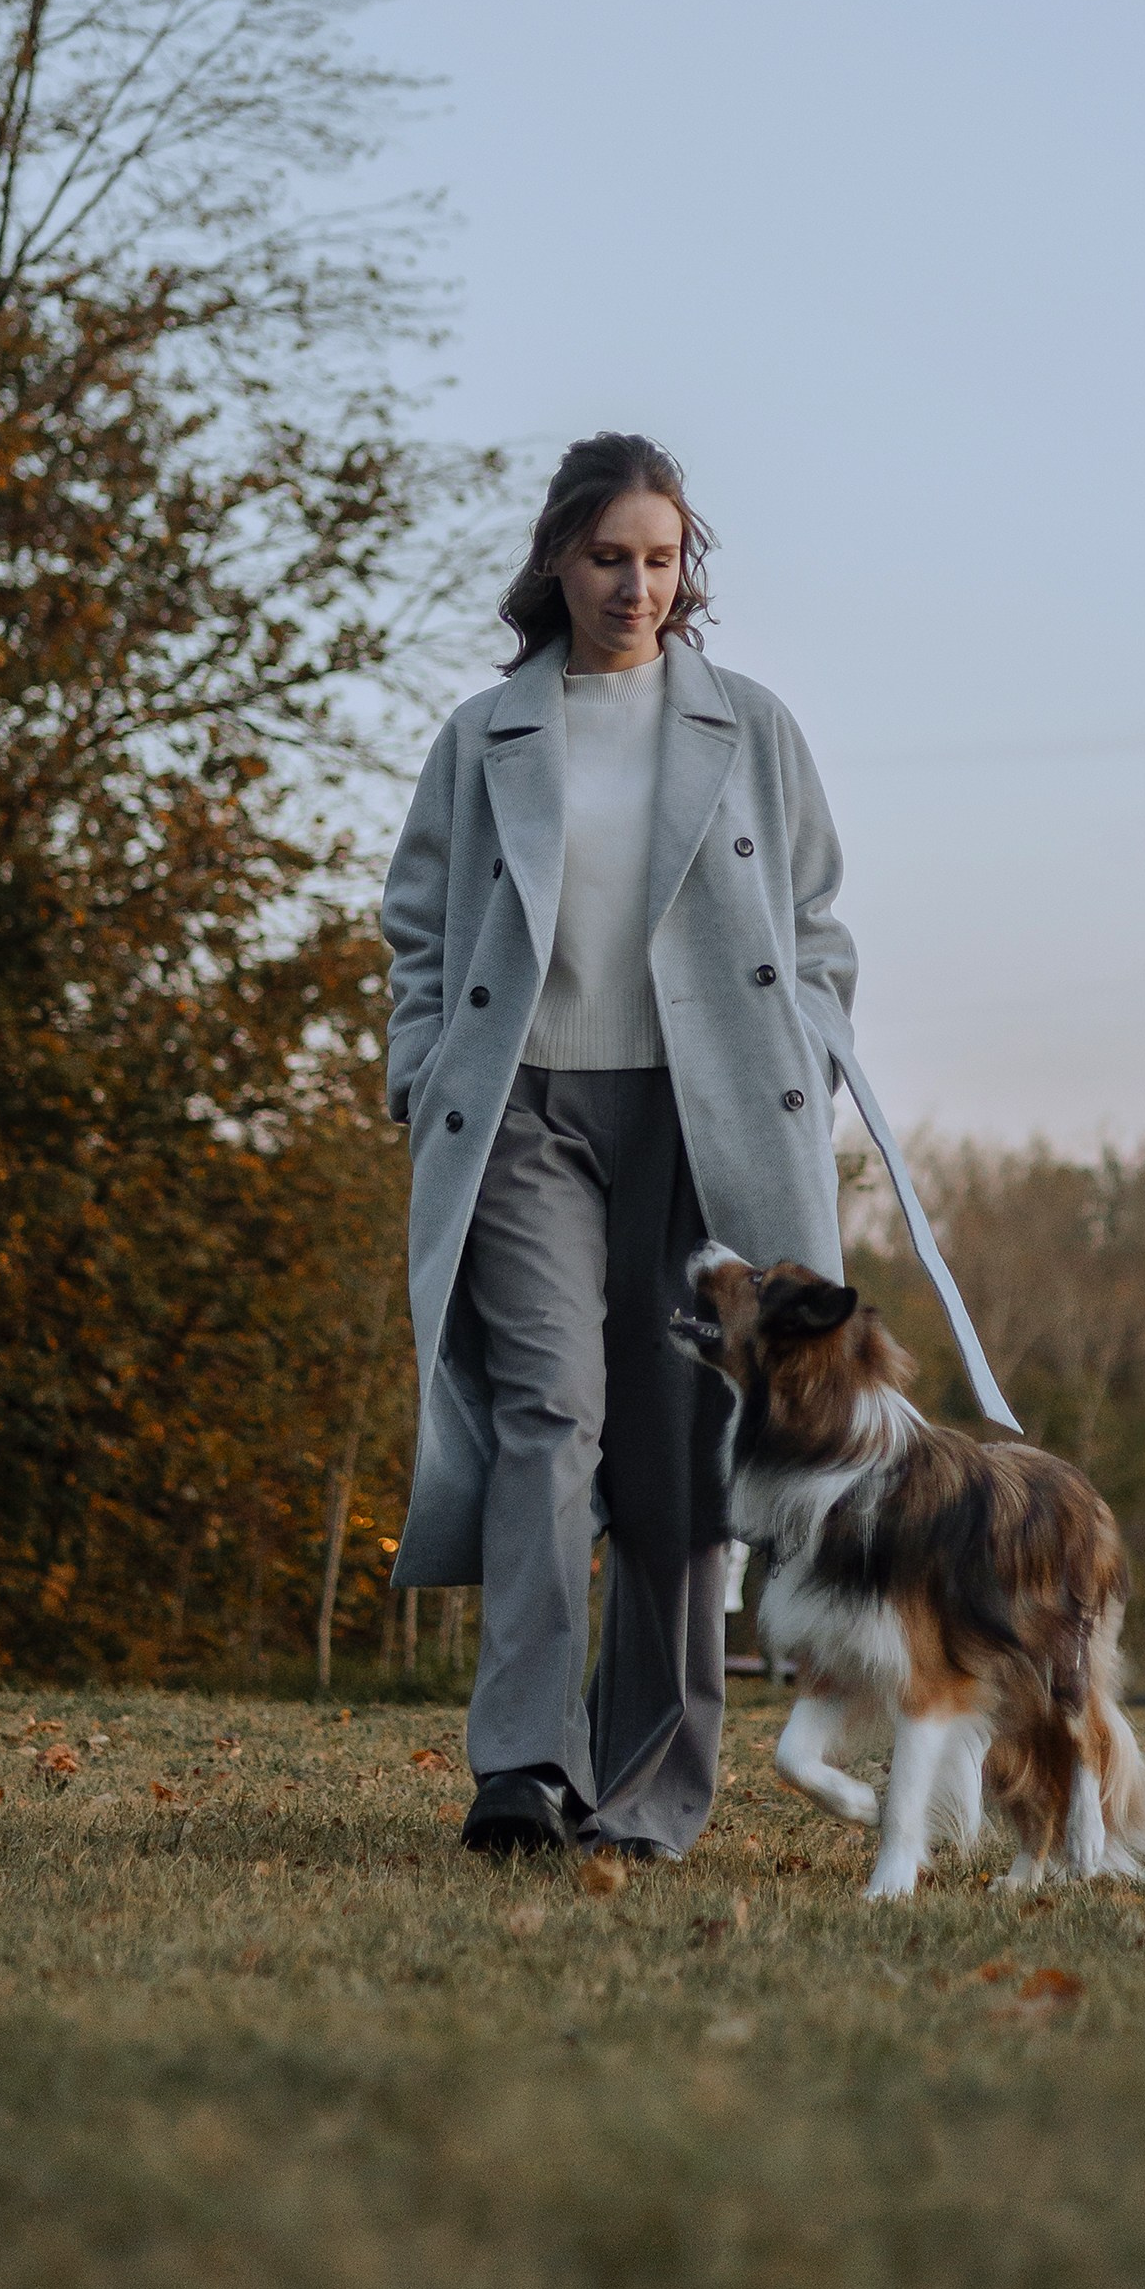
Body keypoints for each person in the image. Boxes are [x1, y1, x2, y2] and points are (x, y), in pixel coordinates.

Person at [381, 433, 859, 1859]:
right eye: (606, 557)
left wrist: (810, 1055)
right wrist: (420, 1068)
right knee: (547, 1418)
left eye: (658, 559)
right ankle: (521, 1770)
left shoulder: (752, 730)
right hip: (524, 1111)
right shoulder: (484, 736)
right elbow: (418, 921)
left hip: (701, 1128)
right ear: (557, 564)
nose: (633, 585)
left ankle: (648, 1792)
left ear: (682, 570)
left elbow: (820, 924)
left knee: (677, 1453)